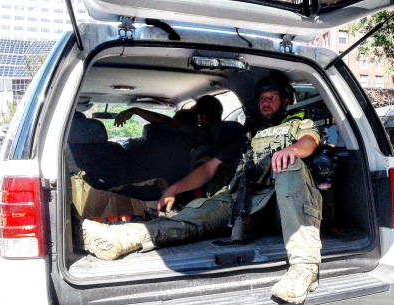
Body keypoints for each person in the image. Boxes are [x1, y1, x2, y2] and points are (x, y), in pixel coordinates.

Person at [81, 76, 322, 304]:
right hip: (247, 201)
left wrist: (292, 151)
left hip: (285, 207)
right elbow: (209, 168)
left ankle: (304, 268)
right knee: (195, 216)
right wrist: (175, 187)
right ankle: (122, 239)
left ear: (286, 101)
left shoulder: (298, 125)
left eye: (272, 97)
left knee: (291, 166)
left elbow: (310, 141)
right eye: (262, 99)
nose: (266, 102)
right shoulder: (246, 136)